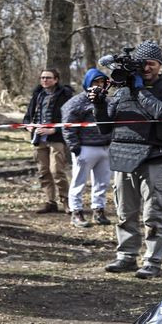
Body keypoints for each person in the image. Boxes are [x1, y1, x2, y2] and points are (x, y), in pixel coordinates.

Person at [95, 41, 162, 279]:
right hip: (123, 157)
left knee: (154, 215)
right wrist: (99, 104)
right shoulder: (122, 90)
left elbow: (161, 112)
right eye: (142, 64)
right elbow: (104, 128)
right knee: (125, 213)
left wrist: (140, 89)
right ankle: (126, 256)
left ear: (160, 65)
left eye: (151, 64)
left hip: (156, 158)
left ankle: (152, 260)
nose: (146, 68)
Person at [61, 68, 113, 228]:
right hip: (84, 148)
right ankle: (76, 212)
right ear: (88, 83)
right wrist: (74, 146)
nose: (99, 85)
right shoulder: (76, 102)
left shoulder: (108, 101)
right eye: (95, 82)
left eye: (101, 82)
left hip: (105, 147)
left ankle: (99, 210)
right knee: (79, 182)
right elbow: (68, 126)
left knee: (102, 182)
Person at [22, 69, 75, 214]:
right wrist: (28, 126)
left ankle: (66, 202)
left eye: (48, 78)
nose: (44, 80)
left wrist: (54, 130)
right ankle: (50, 202)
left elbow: (70, 119)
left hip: (56, 139)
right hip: (39, 140)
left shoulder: (65, 96)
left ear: (56, 79)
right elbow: (27, 117)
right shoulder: (37, 95)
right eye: (42, 78)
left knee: (57, 171)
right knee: (43, 172)